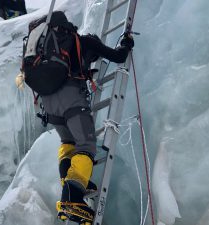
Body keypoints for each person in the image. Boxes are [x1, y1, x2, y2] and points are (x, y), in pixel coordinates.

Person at [34, 12, 135, 224]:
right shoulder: (84, 41)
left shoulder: (46, 51)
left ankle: (70, 182)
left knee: (68, 142)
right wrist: (126, 43)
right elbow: (118, 57)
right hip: (71, 100)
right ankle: (72, 198)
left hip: (49, 105)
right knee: (87, 146)